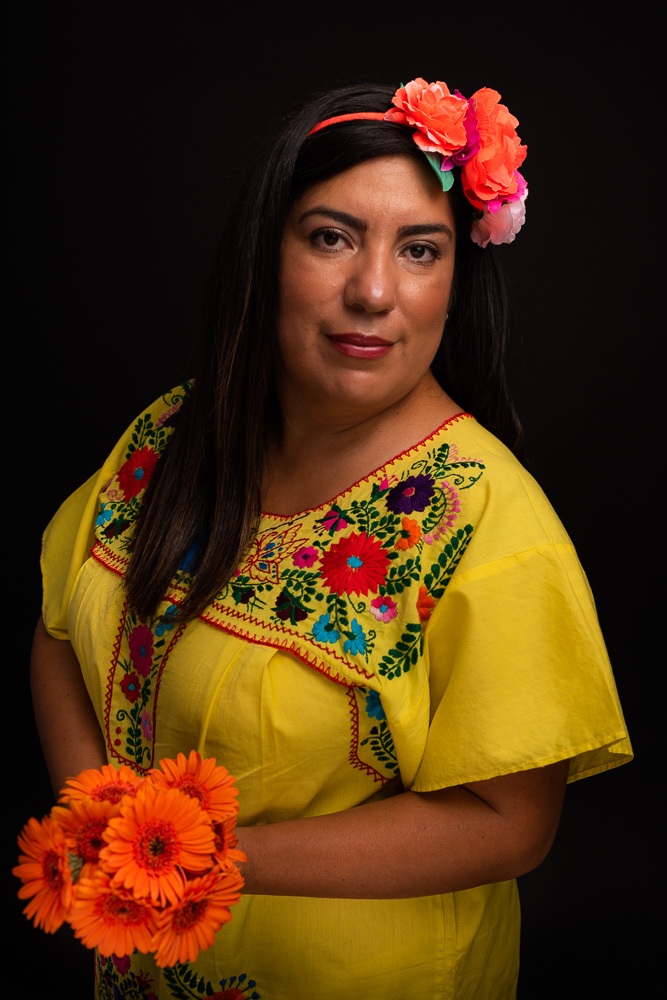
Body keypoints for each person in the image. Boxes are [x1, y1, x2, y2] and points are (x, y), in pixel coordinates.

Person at [33, 79, 631, 999]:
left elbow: (511, 824)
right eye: (331, 237)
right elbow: (58, 627)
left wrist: (209, 861)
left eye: (419, 250)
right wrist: (104, 830)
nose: (373, 291)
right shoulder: (171, 435)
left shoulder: (487, 520)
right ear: (264, 253)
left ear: (454, 281)